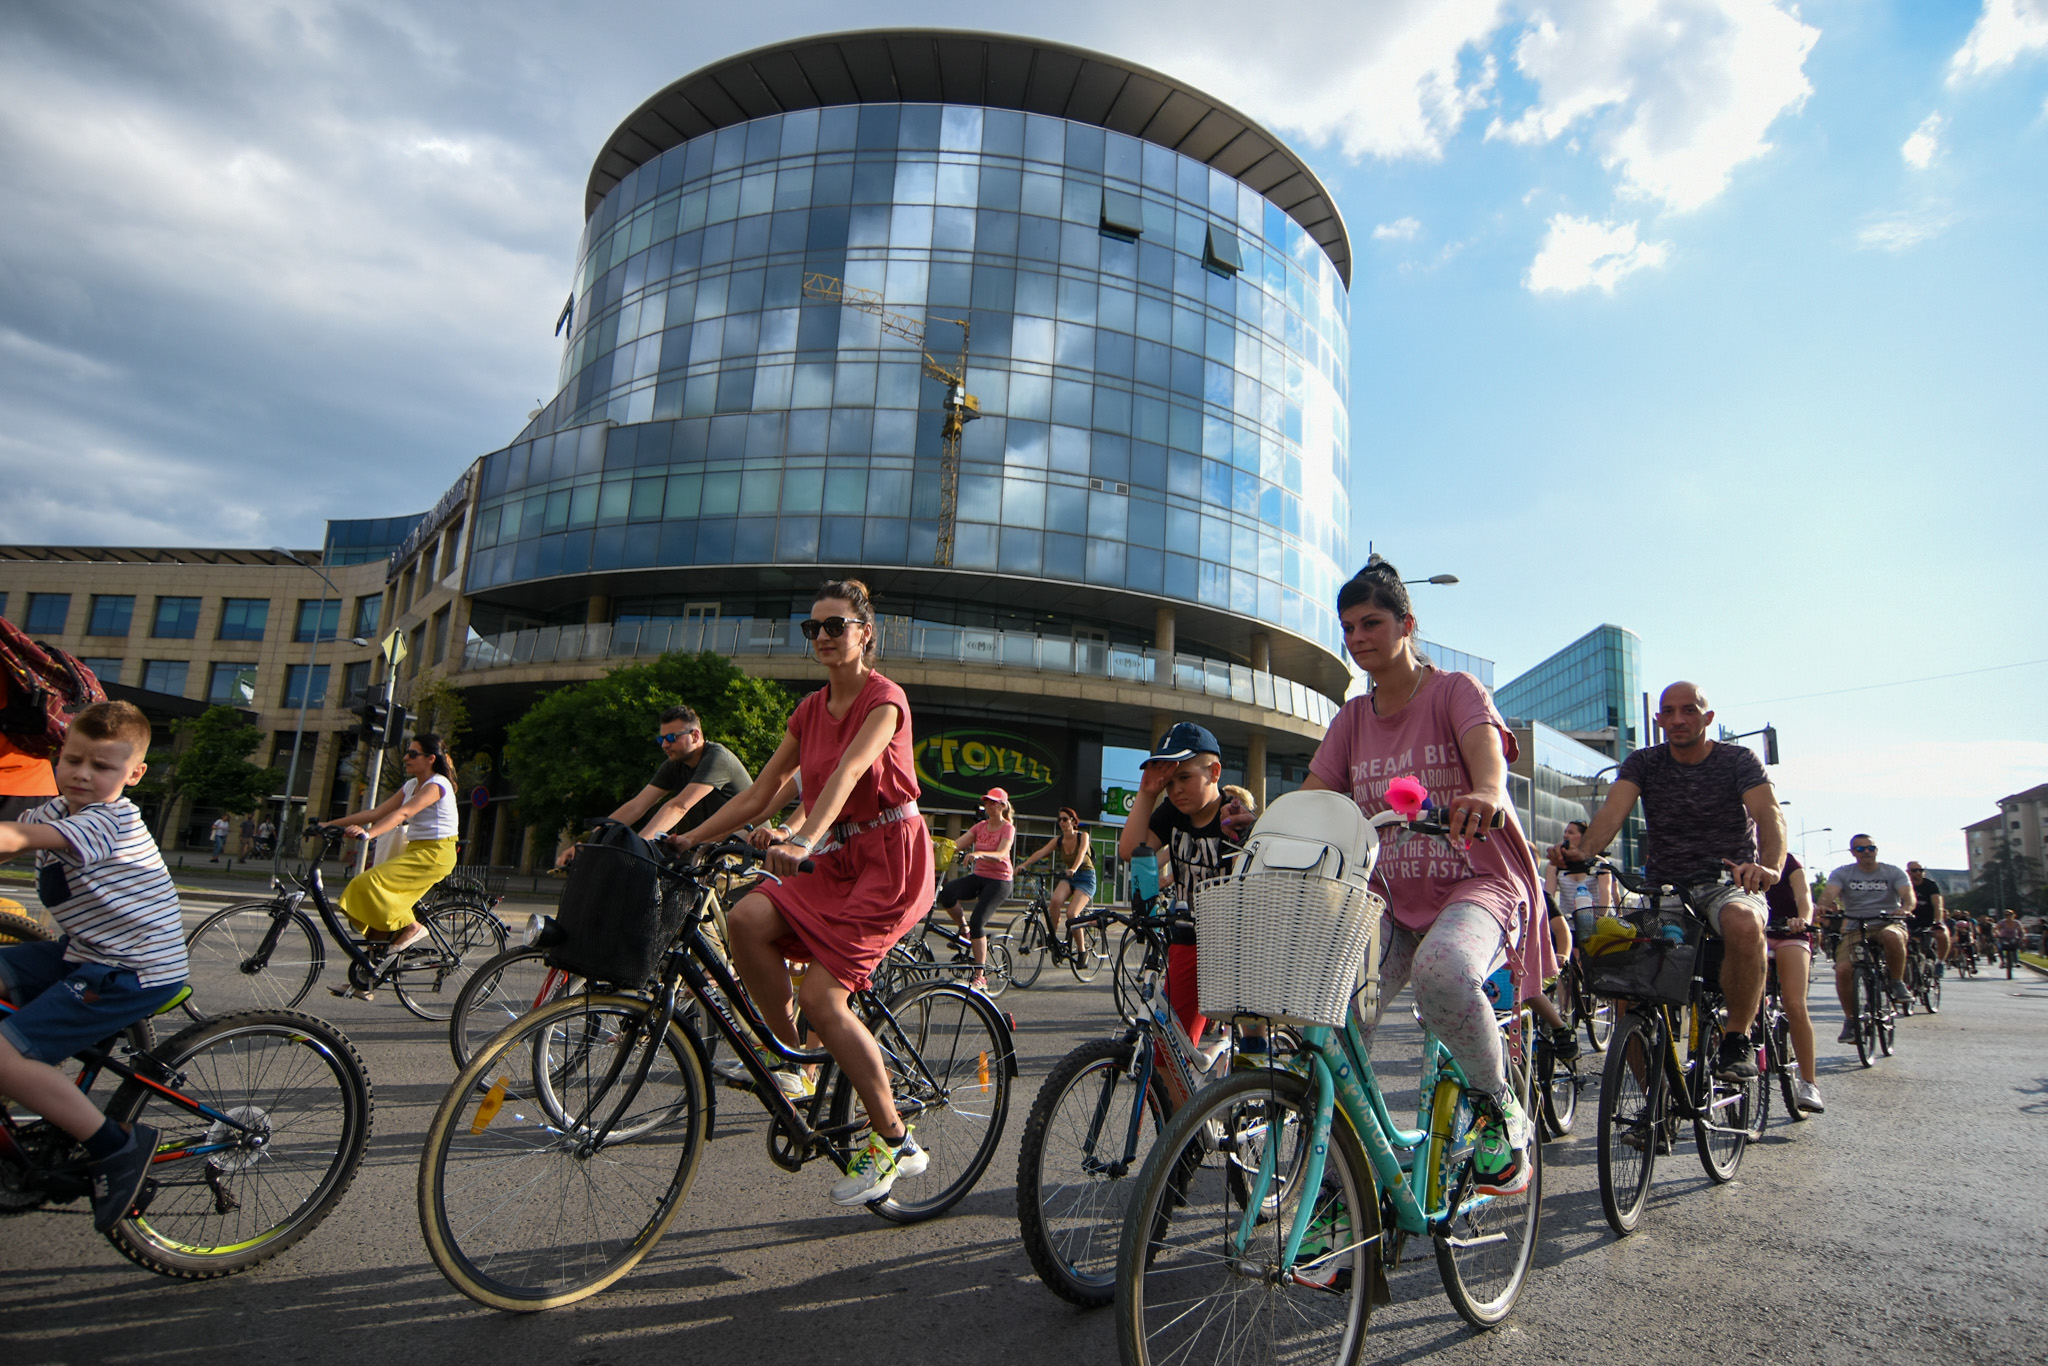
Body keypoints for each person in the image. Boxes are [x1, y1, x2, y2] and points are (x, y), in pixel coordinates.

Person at [677, 580, 935, 1207]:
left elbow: (849, 771)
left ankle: (896, 1140)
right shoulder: (808, 711)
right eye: (813, 627)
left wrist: (801, 837)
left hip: (890, 859)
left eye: (835, 625)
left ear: (864, 633)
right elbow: (759, 793)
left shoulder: (885, 699)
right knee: (745, 920)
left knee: (823, 994)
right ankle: (794, 1061)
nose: (822, 636)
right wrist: (686, 840)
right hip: (838, 858)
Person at [1300, 557, 1551, 1198]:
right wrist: (1271, 828)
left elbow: (1487, 757)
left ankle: (1498, 1107)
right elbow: (1314, 794)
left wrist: (1486, 791)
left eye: (1371, 623)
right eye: (1348, 627)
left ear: (1407, 624)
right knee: (1327, 1010)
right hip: (1386, 898)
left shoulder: (1454, 691)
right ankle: (1347, 1184)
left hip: (1476, 883)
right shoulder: (1351, 720)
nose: (1357, 638)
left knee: (1443, 972)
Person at [0, 701, 187, 1233]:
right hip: (85, 951)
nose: (83, 773)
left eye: (102, 766)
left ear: (135, 774)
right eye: (74, 759)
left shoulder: (111, 820)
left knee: (3, 1056)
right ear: (58, 756)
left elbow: (14, 839)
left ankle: (117, 1147)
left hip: (131, 970)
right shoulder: (55, 811)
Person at [1563, 681, 1784, 1084]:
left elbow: (1770, 815)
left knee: (1743, 922)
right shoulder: (1645, 762)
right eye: (1669, 712)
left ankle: (1737, 1038)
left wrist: (1768, 867)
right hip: (1665, 891)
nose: (1678, 719)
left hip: (1727, 883)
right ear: (1659, 719)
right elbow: (1612, 814)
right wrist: (1582, 852)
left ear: (1708, 717)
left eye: (1689, 710)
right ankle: (1653, 1100)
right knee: (1622, 975)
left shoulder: (1738, 760)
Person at [1117, 722, 1250, 1054]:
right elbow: (1131, 850)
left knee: (1252, 1036)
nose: (1175, 790)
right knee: (1170, 1050)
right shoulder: (1172, 813)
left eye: (1185, 778)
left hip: (1235, 944)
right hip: (1188, 939)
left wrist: (1246, 838)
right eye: (1170, 782)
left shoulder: (1233, 816)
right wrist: (1148, 793)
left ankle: (1255, 1066)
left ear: (1214, 772)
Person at [323, 735, 460, 984]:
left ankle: (411, 927)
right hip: (416, 851)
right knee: (375, 900)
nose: (406, 757)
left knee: (367, 884)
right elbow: (376, 812)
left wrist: (369, 834)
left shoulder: (437, 785)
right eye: (407, 752)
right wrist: (330, 824)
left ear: (430, 759)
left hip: (436, 854)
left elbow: (404, 813)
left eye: (413, 754)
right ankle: (369, 976)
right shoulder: (411, 785)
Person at [555, 705, 752, 866]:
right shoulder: (674, 765)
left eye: (671, 738)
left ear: (695, 735)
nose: (664, 745)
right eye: (661, 739)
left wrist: (638, 846)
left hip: (747, 844)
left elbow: (679, 806)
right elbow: (636, 806)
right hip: (708, 845)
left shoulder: (717, 758)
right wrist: (587, 843)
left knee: (696, 883)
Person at [1818, 836, 1915, 1032]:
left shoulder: (1893, 872)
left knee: (1892, 936)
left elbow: (1908, 896)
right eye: (1860, 849)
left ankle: (1896, 982)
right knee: (1843, 970)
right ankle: (1851, 1020)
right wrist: (1823, 905)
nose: (1866, 852)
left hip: (1888, 922)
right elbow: (1829, 893)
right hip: (1856, 926)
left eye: (1870, 848)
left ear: (1876, 850)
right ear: (1853, 853)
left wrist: (1905, 908)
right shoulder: (1842, 873)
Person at [935, 790, 1016, 992]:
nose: (988, 805)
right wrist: (936, 846)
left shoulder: (1008, 828)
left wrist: (979, 853)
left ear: (1002, 806)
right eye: (986, 802)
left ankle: (980, 976)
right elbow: (956, 845)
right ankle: (964, 930)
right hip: (980, 877)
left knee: (978, 920)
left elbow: (1002, 854)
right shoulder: (980, 827)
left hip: (1000, 881)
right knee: (947, 894)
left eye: (993, 802)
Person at [1764, 851, 1824, 1113]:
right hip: (1757, 932)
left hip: (1790, 933)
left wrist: (1802, 920)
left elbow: (1804, 897)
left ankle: (1809, 1083)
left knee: (1794, 1003)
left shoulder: (1788, 861)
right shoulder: (1739, 853)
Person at [1014, 807, 1098, 962]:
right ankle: (1052, 936)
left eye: (1065, 819)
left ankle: (1082, 951)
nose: (1062, 822)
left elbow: (1081, 854)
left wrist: (1074, 868)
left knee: (1072, 914)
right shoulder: (1058, 840)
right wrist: (1023, 865)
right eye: (1059, 820)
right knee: (1054, 901)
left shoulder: (1083, 836)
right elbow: (1041, 852)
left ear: (1073, 821)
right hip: (1069, 877)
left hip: (1086, 877)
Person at [1905, 860, 1949, 969]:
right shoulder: (1904, 885)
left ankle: (1940, 962)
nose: (1918, 873)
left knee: (1942, 935)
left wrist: (1938, 922)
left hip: (1927, 921)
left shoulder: (1930, 885)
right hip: (1909, 922)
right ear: (1908, 872)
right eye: (1914, 870)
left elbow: (1937, 905)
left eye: (1921, 870)